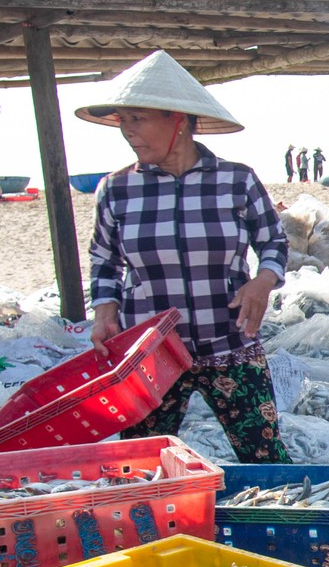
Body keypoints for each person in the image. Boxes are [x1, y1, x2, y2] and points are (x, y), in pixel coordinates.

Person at [78, 50, 292, 463]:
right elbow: (104, 260)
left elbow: (273, 243)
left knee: (265, 457)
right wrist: (104, 310)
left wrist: (263, 281)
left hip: (229, 342)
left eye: (136, 119)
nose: (126, 131)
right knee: (139, 464)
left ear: (177, 120)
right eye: (122, 121)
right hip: (150, 352)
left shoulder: (236, 180)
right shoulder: (116, 189)